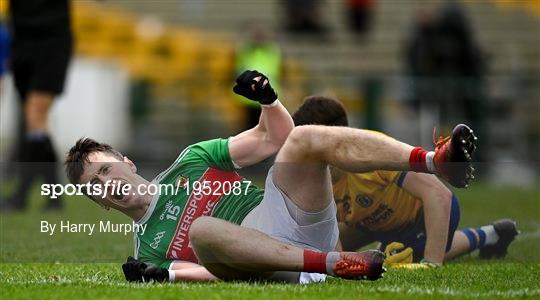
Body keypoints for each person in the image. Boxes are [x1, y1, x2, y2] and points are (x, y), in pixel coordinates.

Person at [64, 70, 475, 283]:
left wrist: (269, 100)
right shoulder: (145, 253)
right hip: (271, 262)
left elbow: (273, 137)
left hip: (282, 214)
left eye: (105, 169)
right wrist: (167, 274)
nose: (107, 184)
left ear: (127, 161)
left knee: (305, 136)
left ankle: (433, 162)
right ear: (98, 202)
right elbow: (214, 270)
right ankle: (332, 265)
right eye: (94, 187)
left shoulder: (192, 159)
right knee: (205, 231)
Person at [291, 96, 518, 267]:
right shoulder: (312, 173)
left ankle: (490, 235)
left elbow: (439, 195)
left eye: (307, 142)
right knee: (318, 248)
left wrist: (431, 263)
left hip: (420, 216)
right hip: (372, 222)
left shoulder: (371, 151)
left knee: (403, 256)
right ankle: (490, 234)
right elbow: (328, 242)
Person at [3, 0, 73, 211]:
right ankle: (53, 197)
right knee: (34, 123)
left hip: (52, 43)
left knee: (35, 117)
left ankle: (22, 195)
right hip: (22, 43)